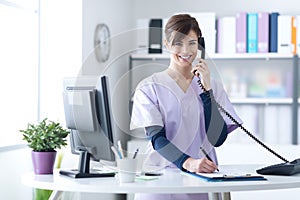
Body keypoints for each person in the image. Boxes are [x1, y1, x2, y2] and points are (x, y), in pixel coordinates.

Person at [130, 14, 242, 200]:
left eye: (192, 43)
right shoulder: (149, 87)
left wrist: (207, 93)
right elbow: (157, 138)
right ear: (167, 44)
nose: (186, 50)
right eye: (178, 43)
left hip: (199, 179)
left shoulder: (212, 86)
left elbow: (217, 138)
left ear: (200, 43)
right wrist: (187, 162)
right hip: (159, 179)